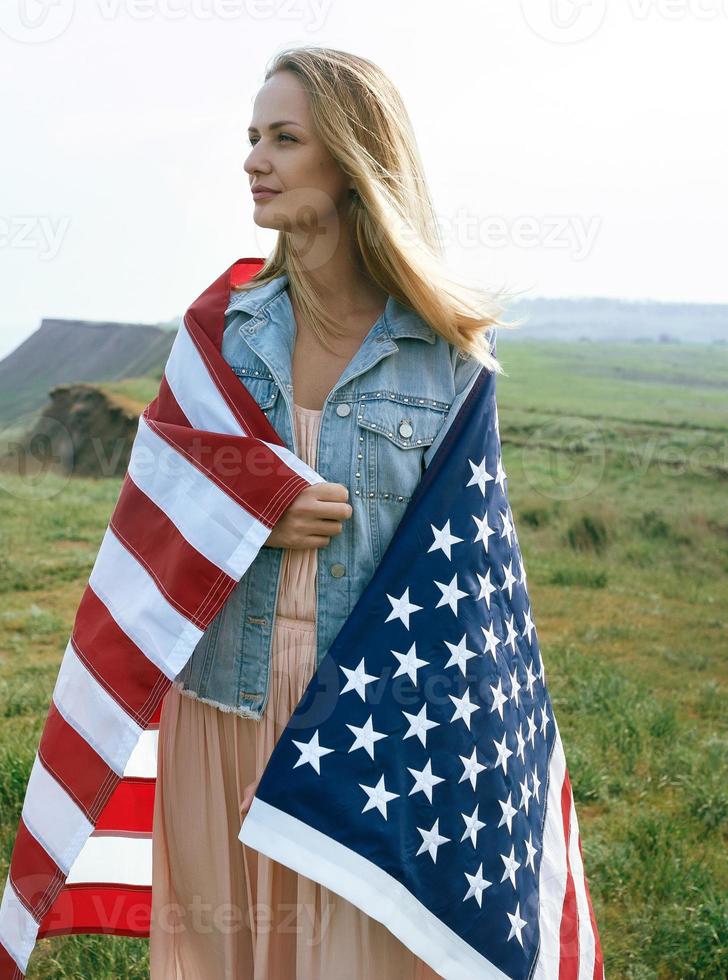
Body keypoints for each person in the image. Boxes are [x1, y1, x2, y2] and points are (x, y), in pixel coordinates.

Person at [149, 45, 514, 979]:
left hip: (364, 722)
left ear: (351, 164)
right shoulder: (223, 334)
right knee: (226, 952)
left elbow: (471, 582)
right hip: (226, 701)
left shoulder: (448, 359)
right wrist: (252, 512)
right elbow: (154, 502)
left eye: (283, 139)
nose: (252, 161)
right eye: (251, 138)